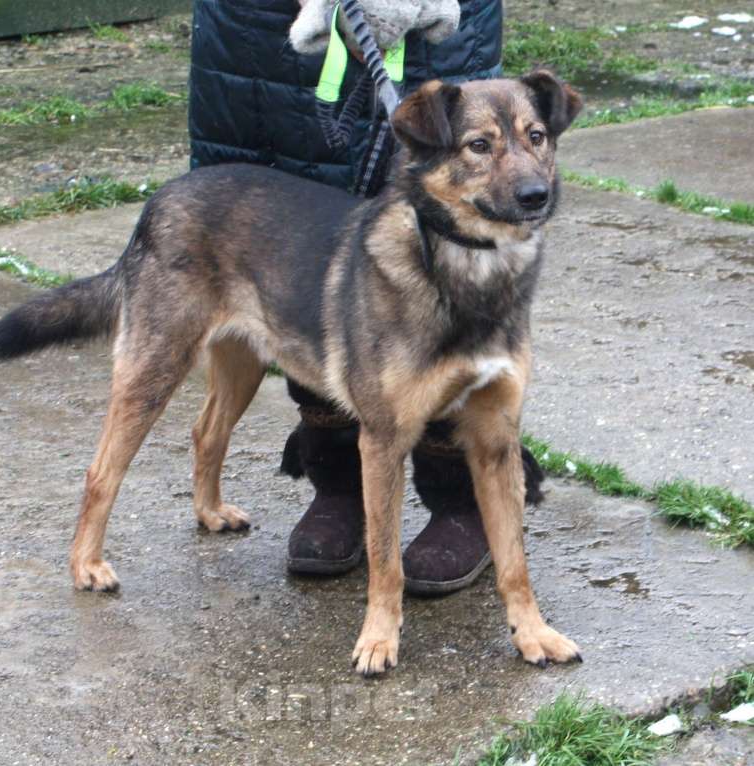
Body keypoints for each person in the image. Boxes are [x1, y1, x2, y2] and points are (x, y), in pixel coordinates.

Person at [188, 0, 544, 595]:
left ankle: (458, 499)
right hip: (266, 45)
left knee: (455, 244)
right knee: (298, 268)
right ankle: (337, 484)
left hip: (436, 27)